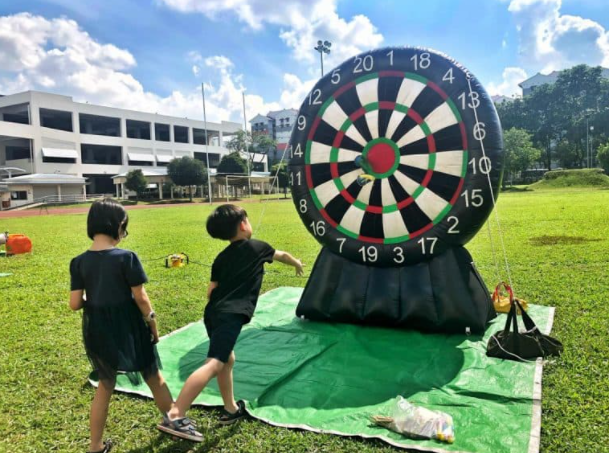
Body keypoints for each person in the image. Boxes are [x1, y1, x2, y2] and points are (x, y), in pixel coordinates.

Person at [158, 204, 304, 442]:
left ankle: (231, 408)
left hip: (213, 313)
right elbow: (283, 256)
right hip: (231, 315)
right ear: (243, 224)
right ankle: (175, 414)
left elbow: (210, 291)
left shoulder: (221, 258)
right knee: (215, 363)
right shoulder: (259, 248)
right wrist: (296, 263)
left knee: (227, 359)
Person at [69, 198, 174, 453]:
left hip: (97, 329)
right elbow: (140, 297)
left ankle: (95, 446)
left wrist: (94, 299)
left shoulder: (79, 261)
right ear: (117, 225)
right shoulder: (127, 257)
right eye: (124, 227)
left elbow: (74, 303)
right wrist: (152, 324)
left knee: (106, 384)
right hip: (128, 325)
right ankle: (176, 421)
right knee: (152, 375)